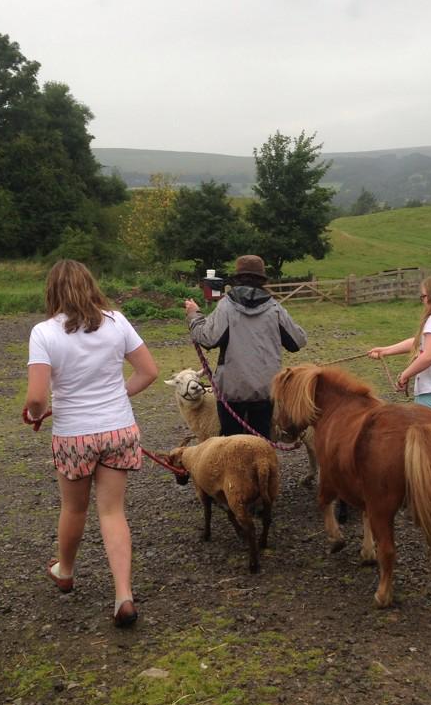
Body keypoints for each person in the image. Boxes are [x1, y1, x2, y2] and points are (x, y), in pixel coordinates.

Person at [25, 259, 159, 627]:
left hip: (74, 435)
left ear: (52, 291)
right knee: (112, 511)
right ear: (91, 285)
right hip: (118, 429)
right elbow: (149, 372)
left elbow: (37, 397)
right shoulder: (117, 321)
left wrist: (36, 413)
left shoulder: (43, 332)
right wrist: (119, 394)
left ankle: (65, 570)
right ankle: (123, 595)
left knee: (75, 508)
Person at [183, 255, 307, 438]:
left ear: (237, 278)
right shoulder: (274, 308)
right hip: (265, 389)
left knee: (231, 444)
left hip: (231, 390)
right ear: (261, 280)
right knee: (261, 441)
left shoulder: (225, 306)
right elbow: (298, 341)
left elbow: (208, 339)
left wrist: (194, 315)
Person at [368, 273, 431, 414]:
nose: (423, 301)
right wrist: (385, 350)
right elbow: (420, 342)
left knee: (417, 434)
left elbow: (429, 356)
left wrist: (405, 375)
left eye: (424, 296)